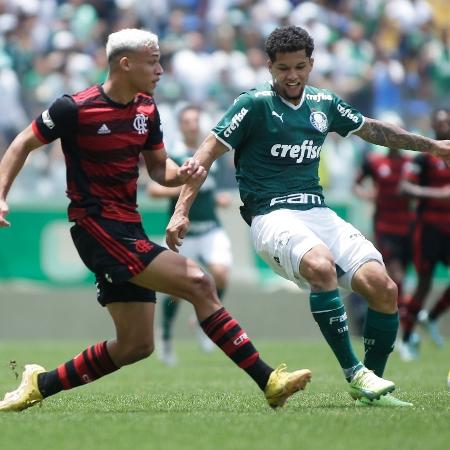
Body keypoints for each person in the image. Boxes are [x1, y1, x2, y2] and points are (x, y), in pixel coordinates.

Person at [0, 28, 313, 412]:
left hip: (126, 225)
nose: (161, 69)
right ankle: (269, 380)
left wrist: (183, 173)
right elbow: (21, 144)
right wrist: (1, 196)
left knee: (135, 345)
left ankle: (38, 384)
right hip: (96, 226)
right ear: (125, 63)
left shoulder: (146, 108)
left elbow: (159, 170)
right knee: (199, 282)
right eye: (154, 61)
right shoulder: (74, 108)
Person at [166, 26, 450, 407]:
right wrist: (180, 209)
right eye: (284, 68)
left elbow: (374, 130)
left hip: (317, 211)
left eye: (300, 67)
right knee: (321, 267)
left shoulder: (324, 102)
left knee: (383, 287)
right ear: (270, 67)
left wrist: (431, 146)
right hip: (271, 216)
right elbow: (206, 154)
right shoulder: (253, 105)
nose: (293, 76)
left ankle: (371, 386)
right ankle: (354, 373)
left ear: (311, 64)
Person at [148, 105, 232, 365]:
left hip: (210, 229)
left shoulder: (210, 154)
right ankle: (166, 336)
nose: (192, 126)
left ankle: (202, 319)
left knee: (221, 273)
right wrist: (186, 187)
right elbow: (153, 190)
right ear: (181, 125)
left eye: (196, 121)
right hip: (182, 234)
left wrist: (216, 197)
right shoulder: (174, 155)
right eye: (187, 121)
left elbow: (210, 189)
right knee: (174, 290)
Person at [352, 113, 415, 335]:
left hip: (408, 227)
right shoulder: (375, 162)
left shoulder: (412, 164)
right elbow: (356, 184)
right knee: (395, 275)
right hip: (385, 226)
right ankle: (399, 326)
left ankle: (401, 326)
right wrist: (369, 195)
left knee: (402, 278)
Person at [398, 107, 450, 360]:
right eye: (438, 122)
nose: (442, 125)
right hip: (428, 228)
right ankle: (407, 338)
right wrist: (439, 194)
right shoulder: (424, 156)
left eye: (446, 122)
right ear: (432, 125)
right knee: (423, 284)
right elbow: (405, 187)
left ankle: (431, 316)